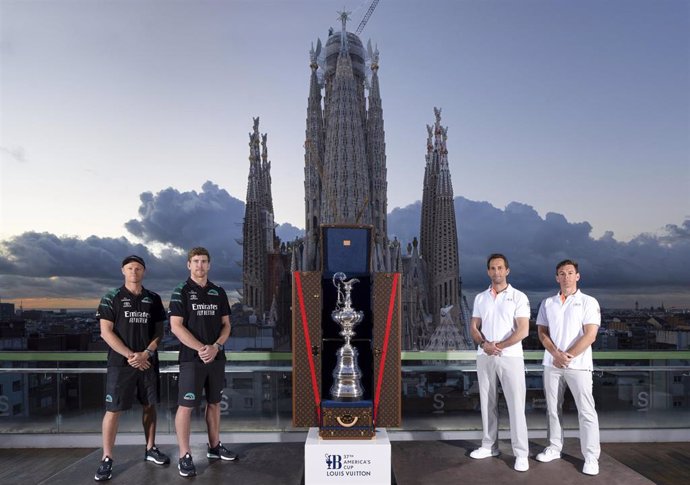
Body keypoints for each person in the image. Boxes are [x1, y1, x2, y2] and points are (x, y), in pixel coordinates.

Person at [94, 255, 170, 482]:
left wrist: (146, 353)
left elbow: (159, 332)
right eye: (130, 268)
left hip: (147, 361)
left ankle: (150, 449)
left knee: (150, 405)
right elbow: (105, 332)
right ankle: (107, 458)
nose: (134, 272)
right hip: (121, 363)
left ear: (143, 272)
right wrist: (130, 355)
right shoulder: (111, 297)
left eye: (138, 268)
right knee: (113, 410)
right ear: (123, 271)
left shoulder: (154, 299)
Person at [169, 247, 236, 478]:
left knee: (215, 403)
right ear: (188, 264)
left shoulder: (218, 291)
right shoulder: (181, 291)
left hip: (216, 357)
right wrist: (201, 348)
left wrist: (215, 347)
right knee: (186, 406)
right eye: (195, 261)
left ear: (209, 265)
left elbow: (226, 325)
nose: (200, 265)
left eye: (204, 261)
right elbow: (176, 326)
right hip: (191, 359)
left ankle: (215, 447)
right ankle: (185, 455)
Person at [536, 259, 601, 476]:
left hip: (579, 365)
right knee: (553, 409)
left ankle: (591, 457)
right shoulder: (547, 303)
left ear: (577, 276)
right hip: (552, 364)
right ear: (557, 277)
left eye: (570, 273)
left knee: (586, 411)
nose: (566, 277)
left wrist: (568, 356)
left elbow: (590, 335)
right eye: (561, 273)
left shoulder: (589, 302)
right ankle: (554, 447)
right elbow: (542, 333)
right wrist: (556, 354)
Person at [469, 254, 531, 472]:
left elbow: (523, 330)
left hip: (510, 357)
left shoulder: (519, 297)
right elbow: (474, 327)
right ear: (488, 272)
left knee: (516, 405)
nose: (496, 272)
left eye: (500, 268)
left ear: (507, 271)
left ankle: (521, 453)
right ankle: (489, 445)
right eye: (493, 268)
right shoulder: (480, 298)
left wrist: (500, 346)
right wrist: (485, 344)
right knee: (487, 402)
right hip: (485, 355)